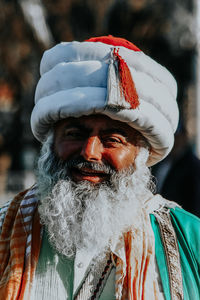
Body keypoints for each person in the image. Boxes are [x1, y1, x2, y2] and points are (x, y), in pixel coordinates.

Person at [0, 36, 199, 300]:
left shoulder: (191, 241)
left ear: (141, 152)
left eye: (112, 140)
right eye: (74, 134)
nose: (89, 152)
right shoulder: (5, 228)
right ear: (51, 142)